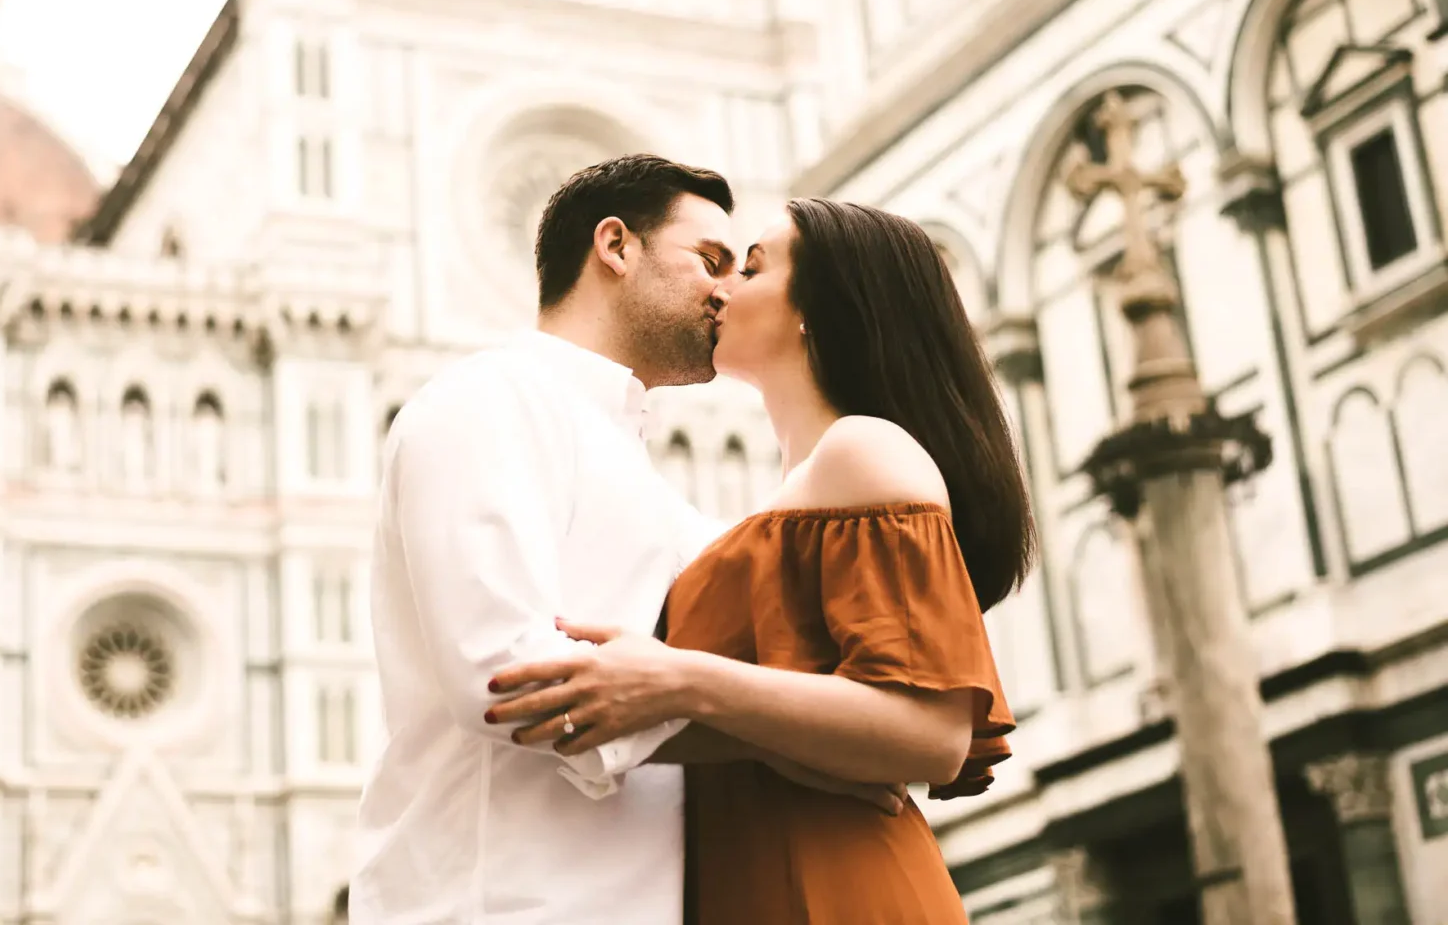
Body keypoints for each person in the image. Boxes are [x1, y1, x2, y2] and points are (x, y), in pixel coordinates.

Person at [349, 158, 902, 925]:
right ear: (615, 246)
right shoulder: (483, 402)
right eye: (709, 261)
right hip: (500, 903)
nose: (728, 291)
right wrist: (781, 738)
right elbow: (508, 680)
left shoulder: (653, 484)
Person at [488, 199, 1037, 923]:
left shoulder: (863, 450)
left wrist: (680, 679)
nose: (721, 288)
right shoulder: (797, 491)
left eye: (751, 267)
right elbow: (782, 726)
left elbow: (932, 735)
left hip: (836, 885)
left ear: (819, 309)